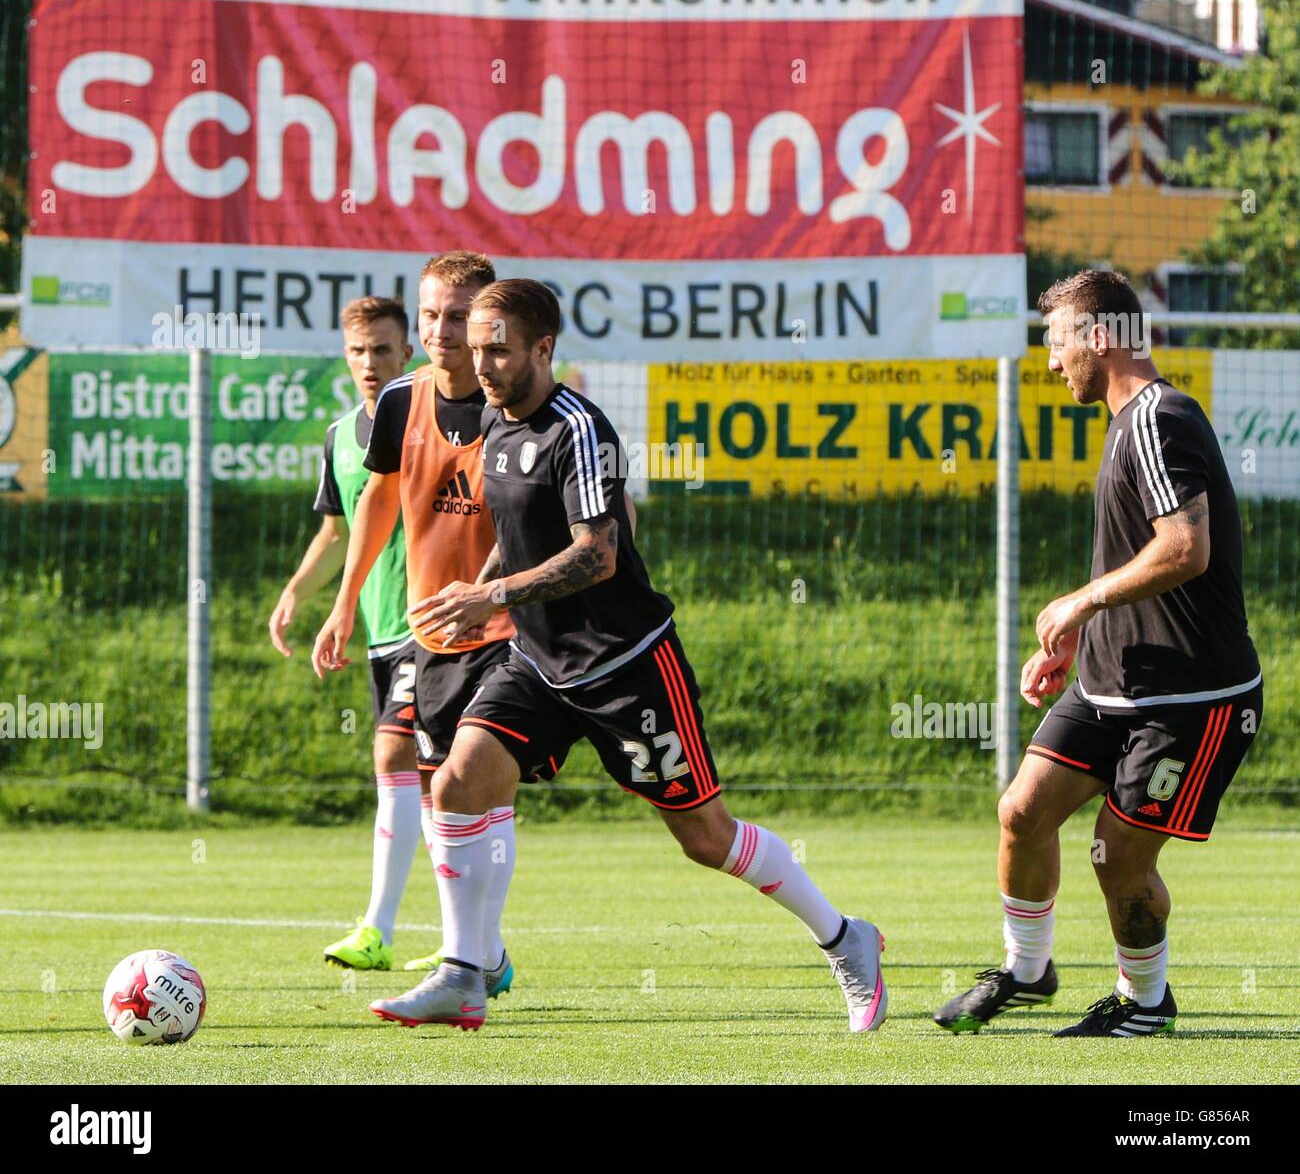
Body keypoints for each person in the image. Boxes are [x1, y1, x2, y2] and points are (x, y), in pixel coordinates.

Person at [368, 278, 886, 1034]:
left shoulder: (578, 428)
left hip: (625, 666)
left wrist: (494, 595)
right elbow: (528, 536)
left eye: (499, 348)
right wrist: (476, 593)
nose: (482, 363)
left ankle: (847, 939)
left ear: (544, 348)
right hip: (539, 666)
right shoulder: (493, 420)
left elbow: (599, 555)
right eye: (477, 348)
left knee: (707, 839)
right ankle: (463, 974)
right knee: (455, 784)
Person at [934, 270, 1262, 1037]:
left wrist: (1081, 600)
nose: (1052, 364)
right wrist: (1088, 631)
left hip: (1191, 696)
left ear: (1099, 337)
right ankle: (1027, 969)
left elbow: (1185, 549)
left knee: (1116, 858)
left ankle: (1146, 1005)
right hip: (1112, 681)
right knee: (1021, 811)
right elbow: (1141, 556)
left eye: (1056, 343)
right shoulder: (1128, 422)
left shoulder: (1159, 417)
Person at [312, 252, 527, 995]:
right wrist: (345, 602)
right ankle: (481, 956)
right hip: (433, 632)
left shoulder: (517, 404)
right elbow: (374, 501)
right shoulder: (401, 401)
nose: (442, 329)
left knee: (469, 783)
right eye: (432, 313)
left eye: (460, 316)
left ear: (489, 323)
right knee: (445, 793)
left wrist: (494, 587)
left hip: (512, 629)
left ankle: (465, 960)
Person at [269, 295, 431, 972]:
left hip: (436, 622)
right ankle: (483, 949)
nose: (370, 364)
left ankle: (378, 931)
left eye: (383, 351)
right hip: (381, 630)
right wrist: (298, 594)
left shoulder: (431, 419)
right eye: (359, 351)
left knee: (394, 759)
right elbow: (337, 531)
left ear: (408, 353)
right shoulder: (340, 437)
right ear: (346, 355)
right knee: (441, 783)